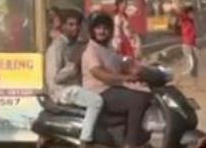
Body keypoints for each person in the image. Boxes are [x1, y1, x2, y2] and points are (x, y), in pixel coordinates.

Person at [82, 11, 151, 148]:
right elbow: (99, 74)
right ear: (92, 30)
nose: (102, 31)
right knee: (138, 100)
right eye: (98, 28)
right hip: (100, 90)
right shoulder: (91, 50)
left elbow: (122, 63)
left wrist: (141, 68)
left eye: (106, 28)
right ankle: (131, 143)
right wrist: (126, 78)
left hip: (113, 88)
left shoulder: (108, 48)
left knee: (148, 93)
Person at [46, 9, 105, 144]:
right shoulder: (56, 47)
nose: (75, 28)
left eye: (78, 24)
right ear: (63, 27)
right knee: (96, 101)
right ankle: (86, 140)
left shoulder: (79, 44)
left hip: (79, 86)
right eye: (71, 25)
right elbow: (54, 79)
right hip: (62, 91)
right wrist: (74, 65)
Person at [179, 4, 198, 80]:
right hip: (187, 44)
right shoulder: (185, 20)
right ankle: (182, 77)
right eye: (191, 13)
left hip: (191, 44)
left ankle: (194, 77)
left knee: (195, 60)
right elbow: (181, 15)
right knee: (191, 64)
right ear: (188, 14)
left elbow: (193, 34)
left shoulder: (191, 21)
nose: (193, 15)